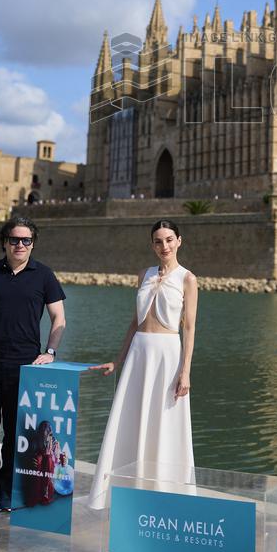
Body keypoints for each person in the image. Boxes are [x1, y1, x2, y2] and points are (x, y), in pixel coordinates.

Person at [87, 218, 197, 509]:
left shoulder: (187, 278)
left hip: (168, 355)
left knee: (164, 422)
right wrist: (117, 360)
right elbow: (135, 322)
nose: (164, 246)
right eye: (159, 241)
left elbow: (189, 328)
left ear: (179, 241)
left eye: (170, 240)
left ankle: (163, 493)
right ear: (152, 244)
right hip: (139, 354)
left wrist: (185, 371)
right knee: (130, 418)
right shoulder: (144, 274)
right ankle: (125, 490)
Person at [0, 215, 66, 513]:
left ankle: (7, 490)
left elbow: (58, 318)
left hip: (25, 366)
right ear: (4, 243)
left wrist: (50, 351)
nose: (20, 245)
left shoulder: (44, 275)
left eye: (26, 240)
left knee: (15, 432)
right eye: (14, 240)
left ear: (33, 244)